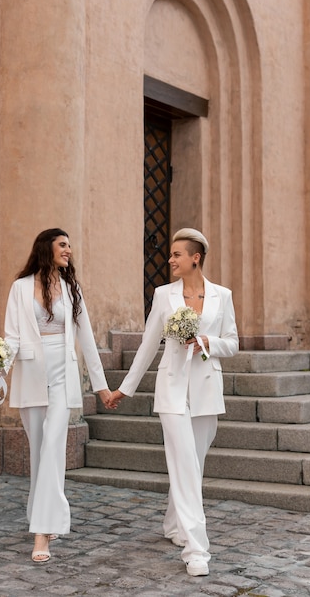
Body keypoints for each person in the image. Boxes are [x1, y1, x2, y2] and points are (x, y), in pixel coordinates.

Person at [109, 228, 239, 577]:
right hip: (172, 389)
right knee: (183, 462)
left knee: (192, 464)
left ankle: (173, 524)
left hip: (207, 390)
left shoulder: (222, 296)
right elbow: (149, 344)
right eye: (171, 255)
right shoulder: (164, 295)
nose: (170, 260)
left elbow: (233, 342)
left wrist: (208, 342)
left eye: (177, 254)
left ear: (195, 257)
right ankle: (197, 549)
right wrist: (125, 388)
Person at [0, 228, 114, 563]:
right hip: (31, 377)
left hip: (62, 378)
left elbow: (86, 339)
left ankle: (42, 532)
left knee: (52, 446)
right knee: (39, 452)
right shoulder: (20, 288)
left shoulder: (71, 289)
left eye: (71, 245)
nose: (69, 250)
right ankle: (46, 510)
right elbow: (12, 337)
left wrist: (101, 387)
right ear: (46, 248)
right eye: (63, 244)